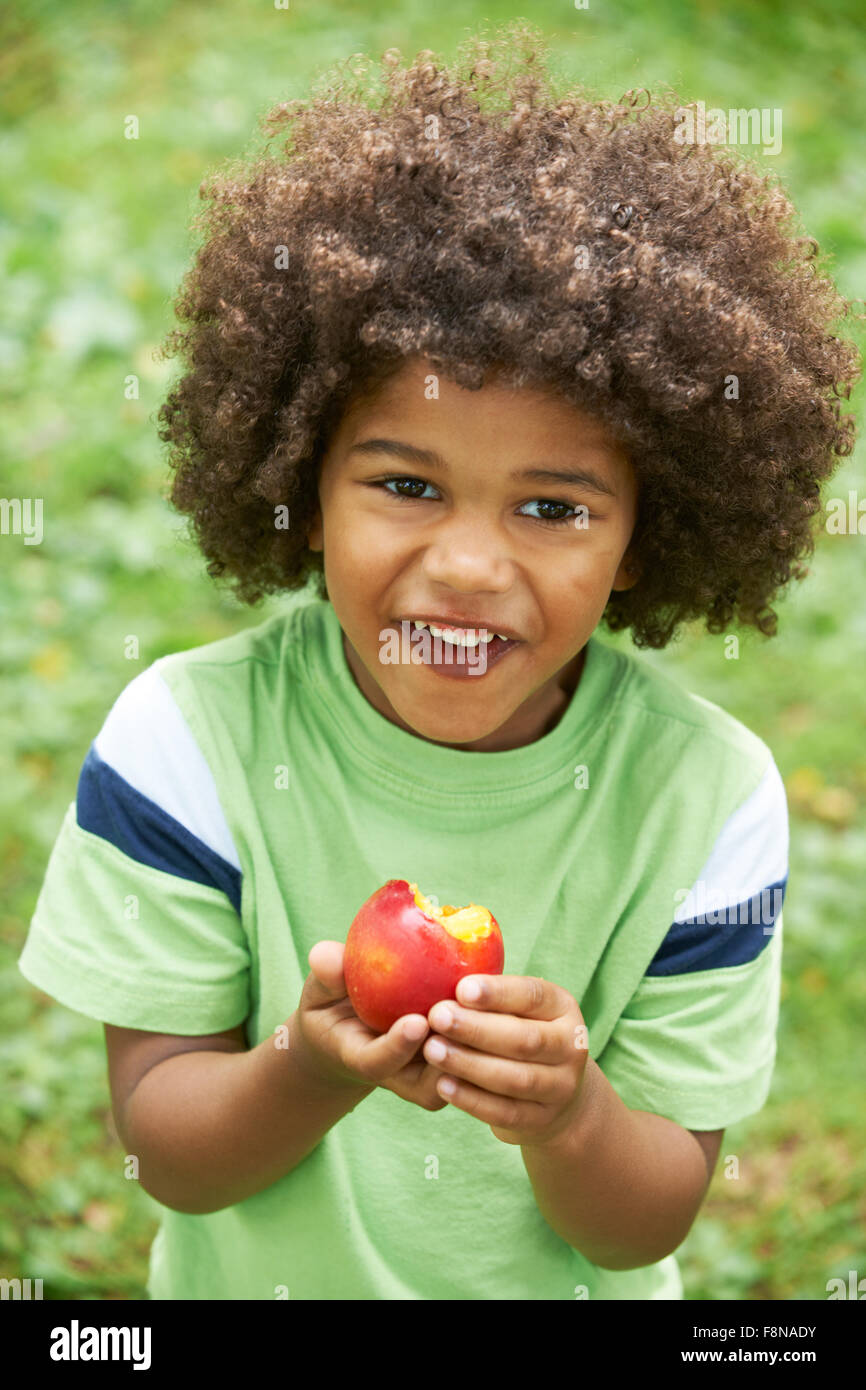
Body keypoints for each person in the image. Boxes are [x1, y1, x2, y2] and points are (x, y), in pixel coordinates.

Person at [18, 22, 860, 1299]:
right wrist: (302, 1068)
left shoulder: (702, 797)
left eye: (553, 507)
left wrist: (569, 1115)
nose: (468, 565)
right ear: (301, 482)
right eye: (406, 483)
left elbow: (645, 1223)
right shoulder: (186, 739)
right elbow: (166, 1153)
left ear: (646, 538)